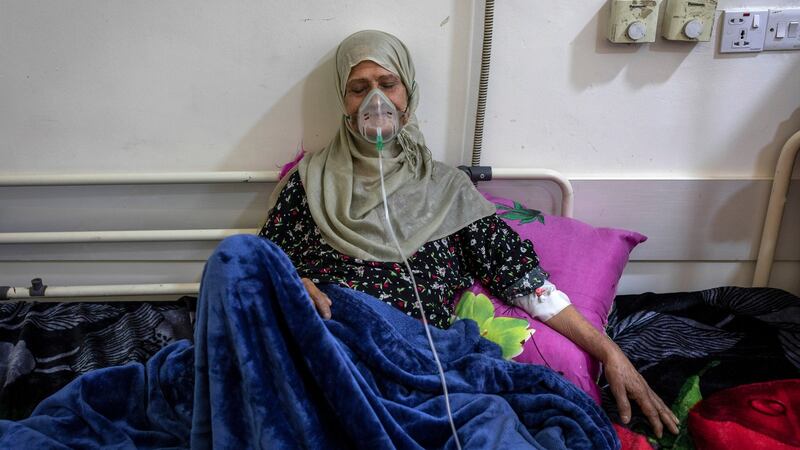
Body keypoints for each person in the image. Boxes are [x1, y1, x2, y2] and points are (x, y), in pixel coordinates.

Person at [260, 29, 679, 438]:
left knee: (490, 420)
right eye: (359, 88)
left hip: (420, 360)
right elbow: (258, 268)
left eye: (388, 84)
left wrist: (609, 351)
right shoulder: (309, 184)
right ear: (344, 101)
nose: (376, 100)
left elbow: (525, 283)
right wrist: (293, 283)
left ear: (408, 95)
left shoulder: (447, 189)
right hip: (333, 342)